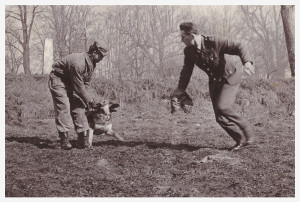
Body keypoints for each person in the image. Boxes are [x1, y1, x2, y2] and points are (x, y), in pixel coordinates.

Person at [171, 22, 255, 151]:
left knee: (223, 106)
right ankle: (240, 140)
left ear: (192, 36)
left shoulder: (214, 41)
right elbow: (186, 71)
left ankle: (248, 131)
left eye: (183, 37)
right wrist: (180, 89)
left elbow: (239, 46)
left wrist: (247, 62)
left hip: (230, 77)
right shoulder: (188, 51)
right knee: (219, 117)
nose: (181, 40)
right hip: (215, 81)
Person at [48, 41, 109, 149]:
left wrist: (91, 101)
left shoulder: (91, 64)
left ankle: (82, 140)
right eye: (101, 56)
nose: (102, 59)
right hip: (59, 80)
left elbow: (85, 85)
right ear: (94, 52)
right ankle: (64, 140)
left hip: (73, 83)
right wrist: (90, 101)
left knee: (80, 106)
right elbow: (78, 87)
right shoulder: (78, 63)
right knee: (64, 107)